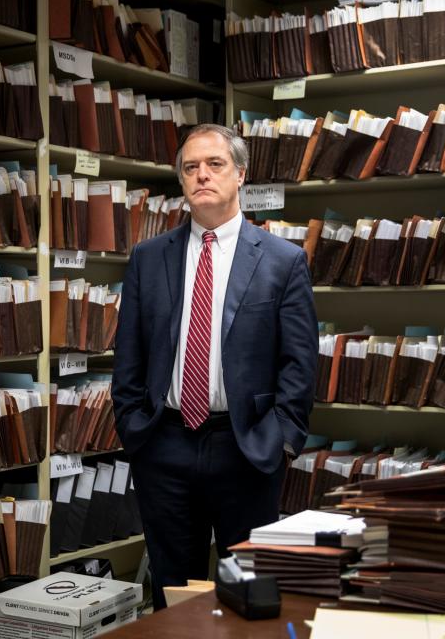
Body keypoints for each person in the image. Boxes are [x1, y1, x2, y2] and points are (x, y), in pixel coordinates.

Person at [112, 123, 318, 610]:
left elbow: (300, 363)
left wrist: (282, 439)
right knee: (173, 595)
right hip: (164, 445)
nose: (202, 175)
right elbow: (129, 355)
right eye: (190, 167)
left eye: (214, 164)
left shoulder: (282, 260)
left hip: (246, 449)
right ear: (181, 182)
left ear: (240, 174)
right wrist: (133, 428)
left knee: (249, 596)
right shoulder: (147, 258)